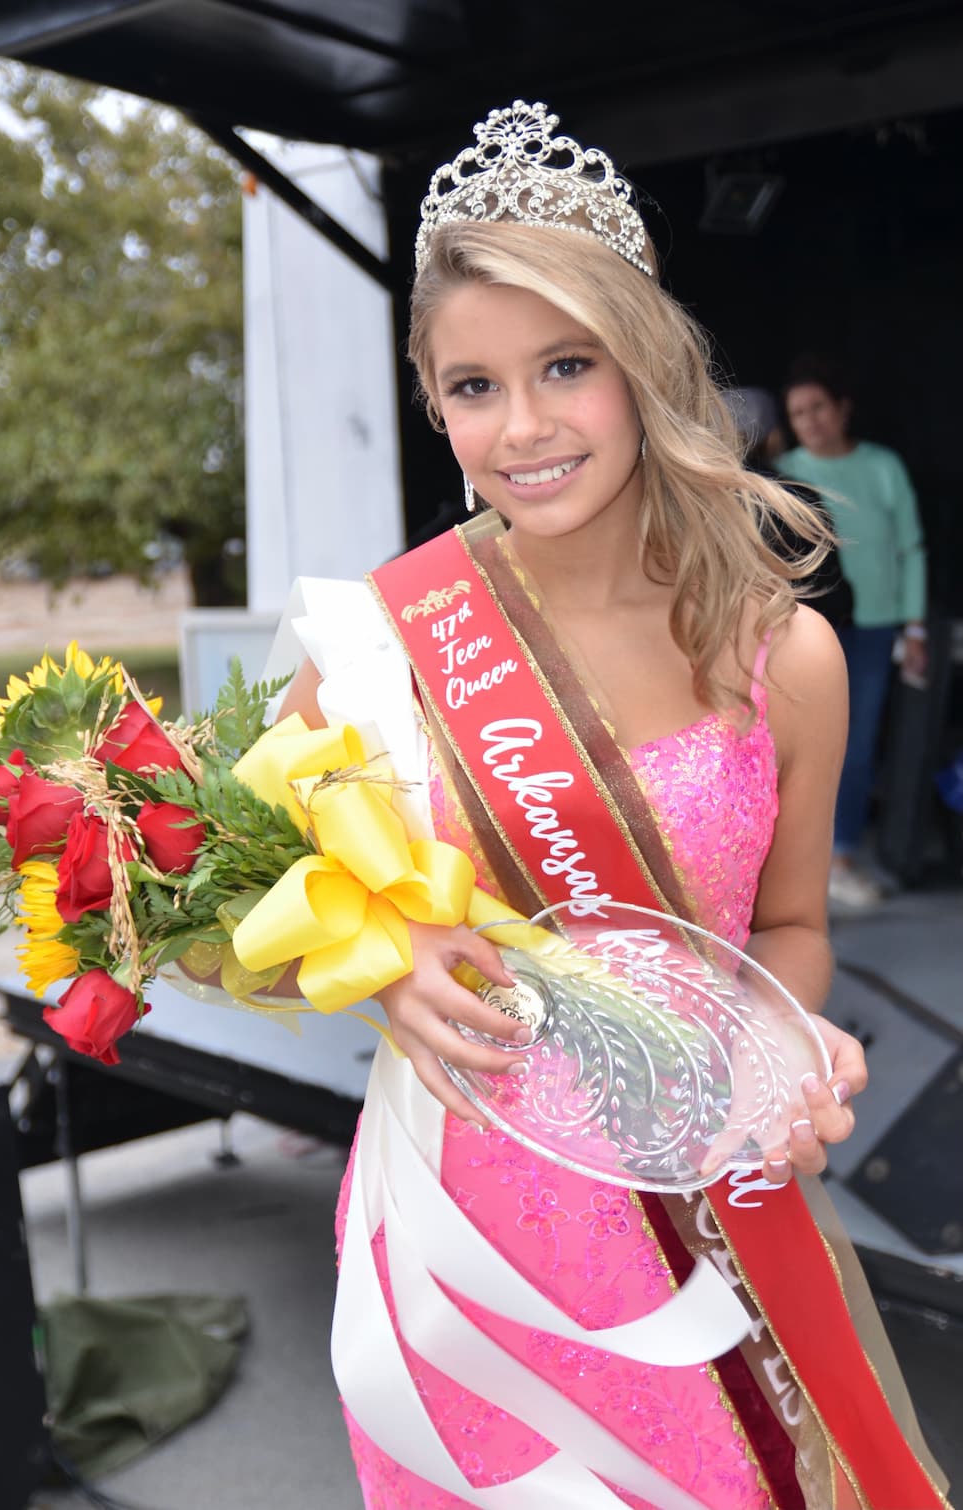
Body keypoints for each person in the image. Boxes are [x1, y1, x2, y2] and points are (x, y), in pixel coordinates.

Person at [278, 103, 948, 1509]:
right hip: (458, 1251)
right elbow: (247, 906)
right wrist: (383, 962)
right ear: (432, 400)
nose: (520, 427)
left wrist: (788, 1043)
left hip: (705, 1238)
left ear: (643, 362)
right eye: (472, 386)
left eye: (564, 366)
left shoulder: (789, 657)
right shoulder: (386, 645)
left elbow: (790, 925)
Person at [777, 358, 927, 908]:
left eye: (818, 407)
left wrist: (913, 626)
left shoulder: (881, 466)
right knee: (791, 747)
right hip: (805, 630)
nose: (811, 420)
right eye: (798, 412)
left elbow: (910, 549)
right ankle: (790, 865)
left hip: (872, 626)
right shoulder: (783, 472)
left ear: (841, 409)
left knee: (856, 744)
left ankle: (838, 857)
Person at [724, 385, 853, 629]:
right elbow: (831, 592)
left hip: (721, 641)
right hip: (798, 639)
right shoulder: (799, 497)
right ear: (774, 436)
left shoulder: (694, 502)